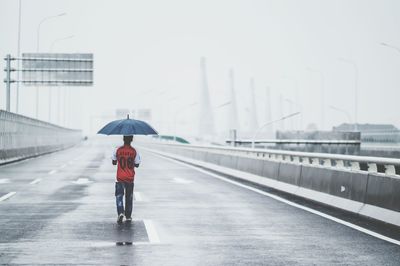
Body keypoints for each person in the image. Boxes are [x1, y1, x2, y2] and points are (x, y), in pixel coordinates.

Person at [112, 135, 141, 224]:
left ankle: (120, 212)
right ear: (131, 139)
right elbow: (137, 164)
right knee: (129, 197)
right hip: (130, 178)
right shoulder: (134, 151)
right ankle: (128, 216)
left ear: (123, 139)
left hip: (120, 178)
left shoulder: (118, 150)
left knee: (119, 196)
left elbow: (114, 162)